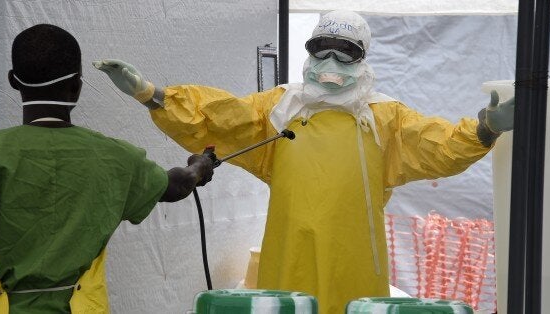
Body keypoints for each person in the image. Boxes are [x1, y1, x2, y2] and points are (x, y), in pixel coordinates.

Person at [95, 10, 514, 313]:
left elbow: (437, 146)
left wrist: (483, 131)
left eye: (344, 52)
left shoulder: (384, 118)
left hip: (353, 259)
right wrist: (153, 95)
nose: (330, 62)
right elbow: (219, 118)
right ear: (310, 51)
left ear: (363, 57)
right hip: (288, 252)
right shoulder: (280, 109)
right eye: (321, 48)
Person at [0, 24, 214, 314]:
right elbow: (176, 185)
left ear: (13, 81)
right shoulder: (117, 157)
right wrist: (200, 166)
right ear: (77, 86)